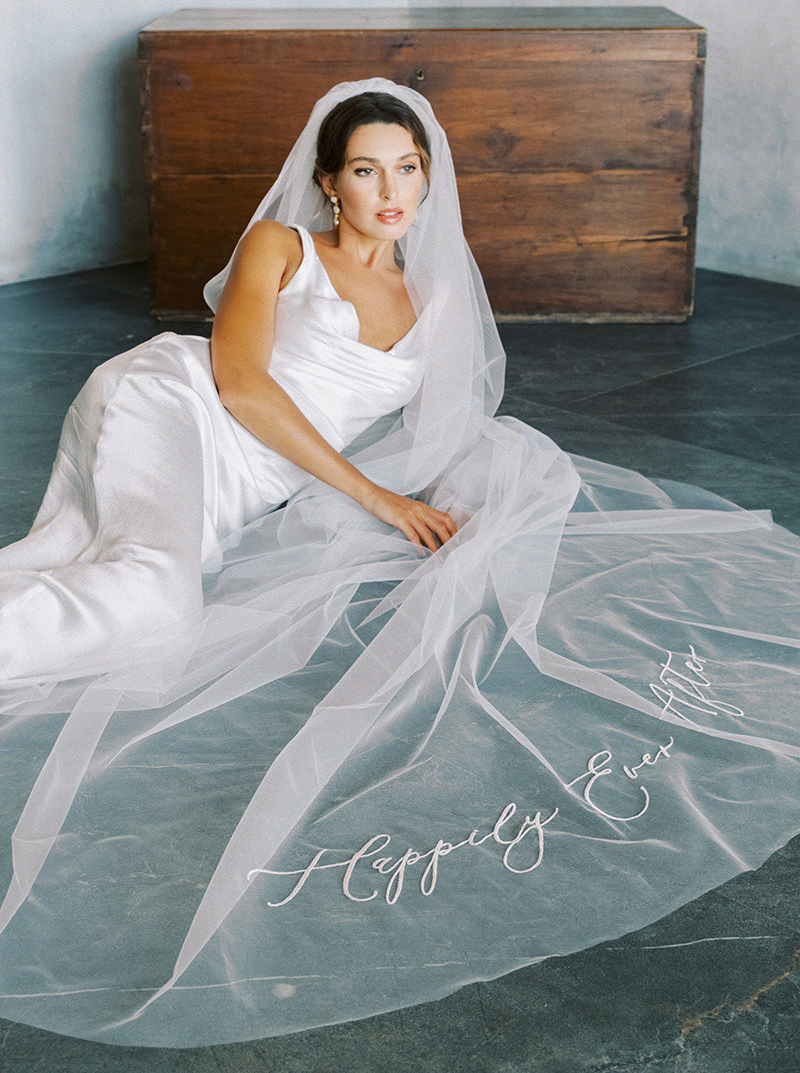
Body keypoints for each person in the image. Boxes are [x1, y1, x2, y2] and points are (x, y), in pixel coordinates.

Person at [1, 78, 800, 1049]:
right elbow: (242, 385)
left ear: (427, 181)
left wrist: (466, 500)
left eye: (407, 169)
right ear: (330, 184)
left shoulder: (433, 294)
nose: (390, 189)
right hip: (174, 412)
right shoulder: (281, 248)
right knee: (156, 608)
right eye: (366, 169)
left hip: (254, 483)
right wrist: (374, 499)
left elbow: (444, 426)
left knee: (141, 615)